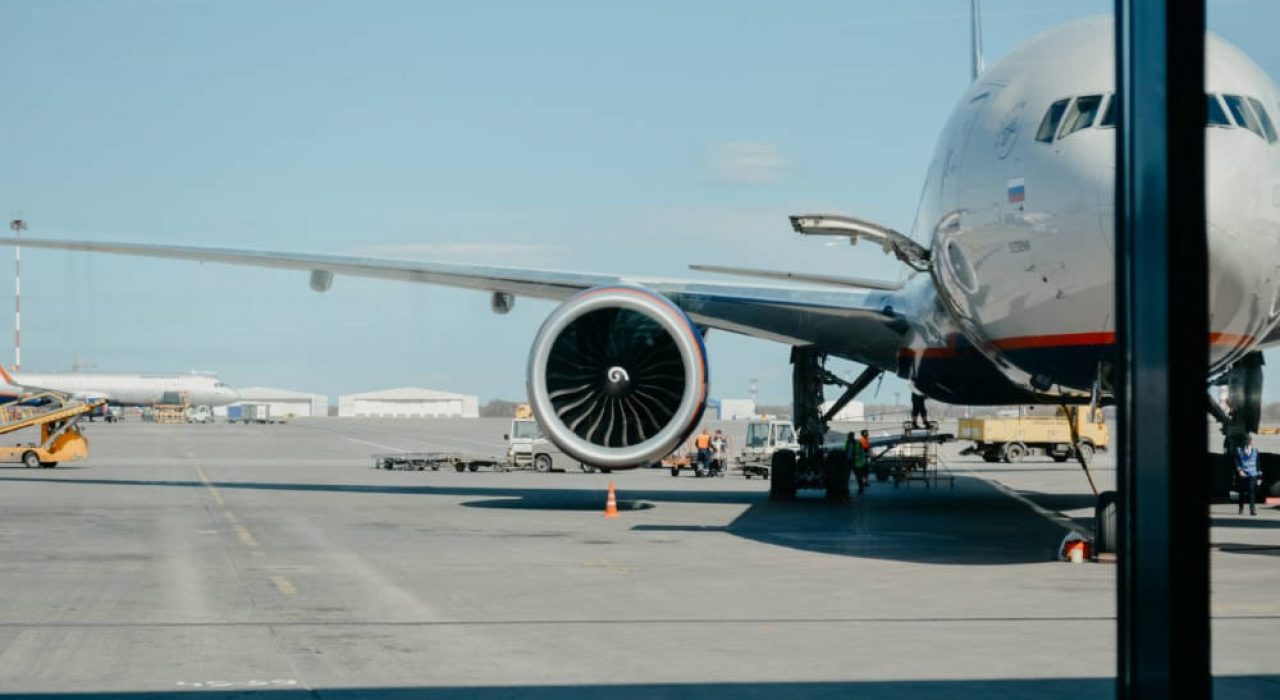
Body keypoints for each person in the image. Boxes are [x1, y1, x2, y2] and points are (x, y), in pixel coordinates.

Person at [1236, 434, 1262, 516]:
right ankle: (1241, 507)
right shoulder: (1239, 450)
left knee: (1252, 492)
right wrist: (1239, 470)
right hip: (1243, 473)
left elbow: (1257, 462)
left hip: (1253, 474)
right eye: (1247, 440)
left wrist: (1259, 471)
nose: (1249, 441)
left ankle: (1252, 509)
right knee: (1242, 492)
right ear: (1244, 441)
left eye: (1250, 440)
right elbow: (1236, 461)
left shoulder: (1255, 450)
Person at [847, 430, 868, 495]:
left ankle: (861, 489)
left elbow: (862, 452)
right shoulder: (848, 443)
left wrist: (862, 461)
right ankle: (847, 489)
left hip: (857, 462)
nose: (848, 438)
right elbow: (846, 451)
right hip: (850, 462)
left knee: (858, 477)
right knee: (847, 476)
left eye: (849, 436)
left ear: (852, 437)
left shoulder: (858, 443)